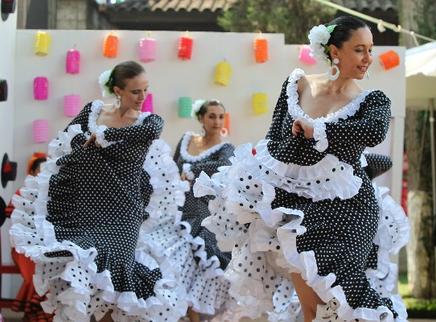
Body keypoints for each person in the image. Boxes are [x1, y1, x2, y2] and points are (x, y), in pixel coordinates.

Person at [194, 16, 408, 322]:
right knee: (312, 308)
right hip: (295, 209)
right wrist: (295, 140)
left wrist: (317, 132)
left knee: (341, 300)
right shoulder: (298, 85)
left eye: (370, 50)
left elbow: (372, 132)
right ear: (335, 51)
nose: (368, 58)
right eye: (359, 49)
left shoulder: (371, 101)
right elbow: (274, 140)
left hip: (348, 211)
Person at [9, 61, 190, 322]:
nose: (142, 97)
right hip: (88, 209)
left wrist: (104, 137)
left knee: (116, 278)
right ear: (118, 90)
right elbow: (68, 143)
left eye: (145, 91)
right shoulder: (92, 111)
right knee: (88, 277)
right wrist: (85, 143)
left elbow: (147, 131)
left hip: (125, 213)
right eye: (135, 92)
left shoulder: (149, 122)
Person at [173, 100, 236, 322]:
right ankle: (187, 316)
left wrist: (191, 172)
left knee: (199, 263)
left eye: (221, 116)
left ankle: (197, 317)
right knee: (178, 266)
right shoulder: (187, 141)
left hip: (204, 214)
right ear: (201, 118)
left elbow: (222, 169)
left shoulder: (226, 149)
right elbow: (173, 168)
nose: (217, 121)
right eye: (212, 116)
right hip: (178, 212)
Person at [5, 152, 53, 322]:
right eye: (41, 168)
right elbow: (13, 218)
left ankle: (36, 315)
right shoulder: (22, 192)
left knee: (50, 274)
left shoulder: (52, 192)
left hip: (47, 245)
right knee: (34, 276)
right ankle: (34, 314)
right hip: (24, 246)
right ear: (32, 172)